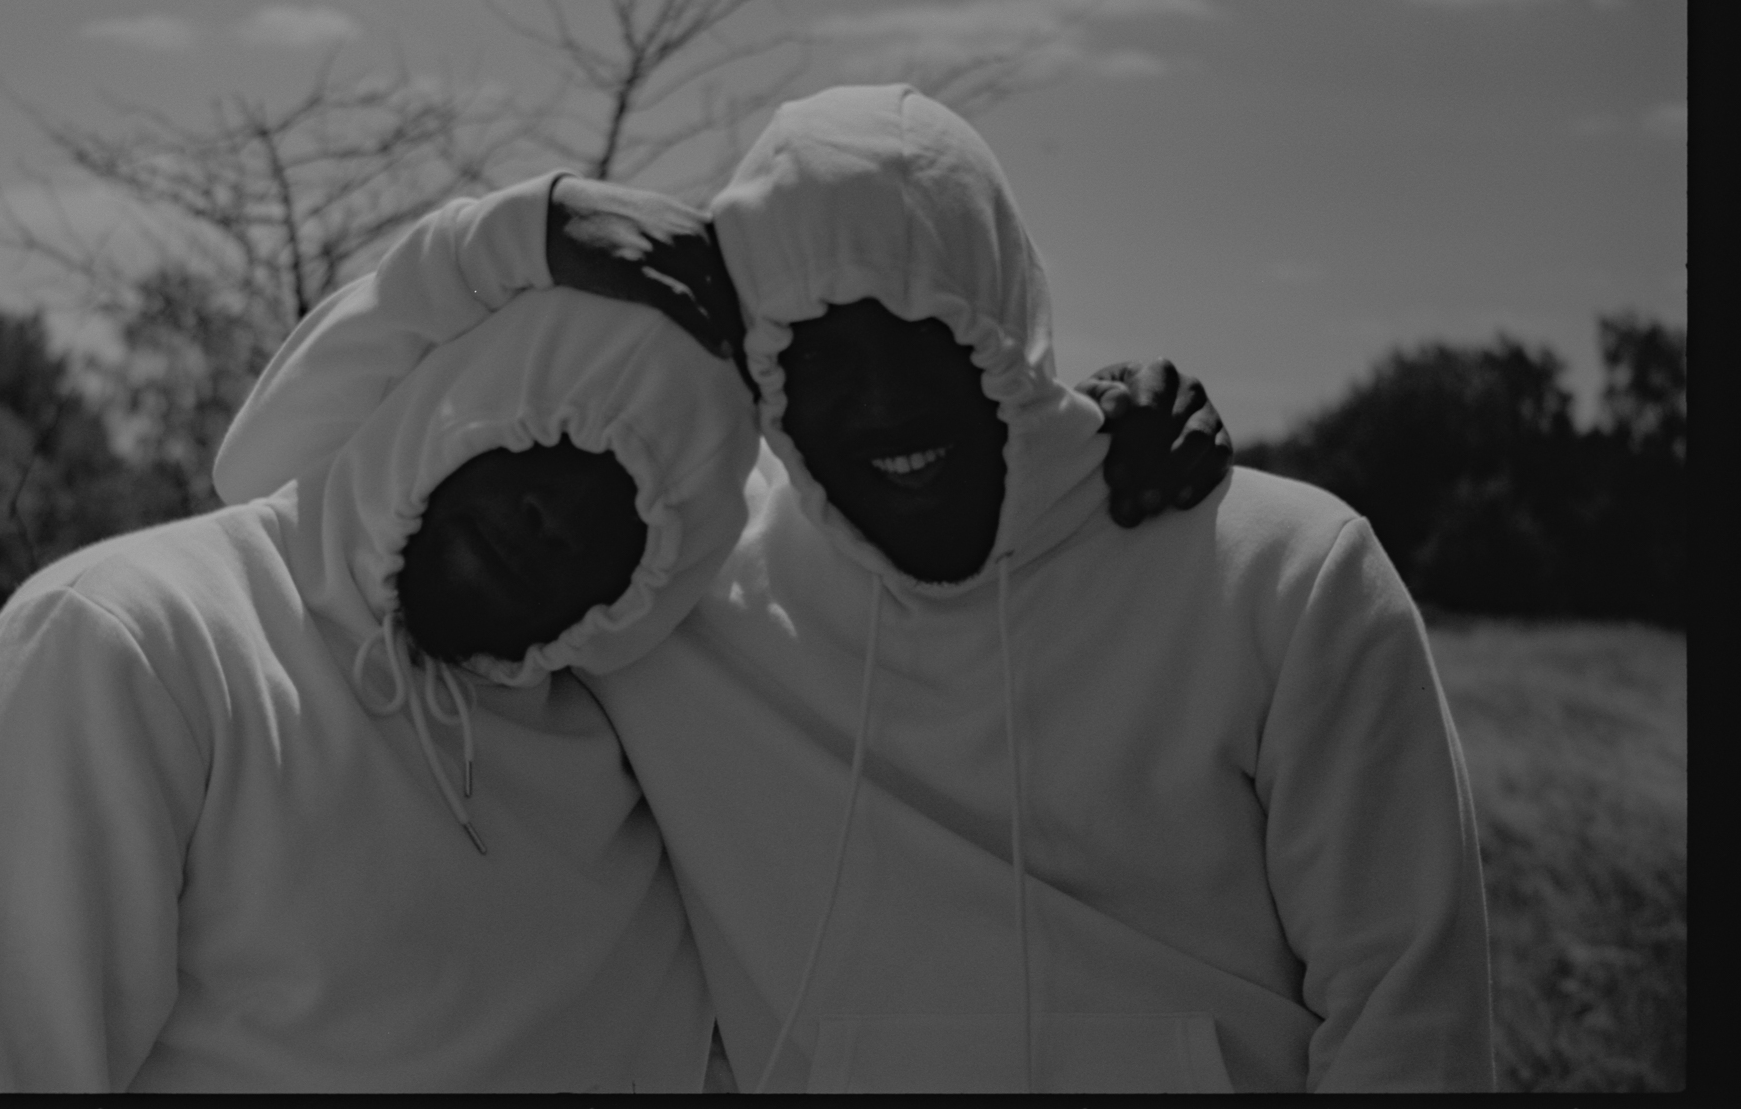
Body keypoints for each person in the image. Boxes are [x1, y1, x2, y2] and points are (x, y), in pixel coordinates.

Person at [0, 167, 1226, 1092]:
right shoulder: (143, 649)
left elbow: (884, 546)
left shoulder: (641, 714)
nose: (561, 527)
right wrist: (506, 233)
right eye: (543, 444)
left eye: (626, 516)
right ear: (448, 399)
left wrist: (1069, 449)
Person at [584, 85, 1497, 1093]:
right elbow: (387, 471)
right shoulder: (676, 607)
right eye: (820, 351)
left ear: (1003, 316)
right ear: (759, 372)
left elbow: (1410, 1023)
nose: (883, 400)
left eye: (921, 324)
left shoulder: (1283, 574)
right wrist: (528, 229)